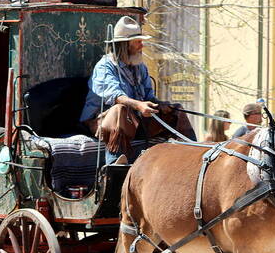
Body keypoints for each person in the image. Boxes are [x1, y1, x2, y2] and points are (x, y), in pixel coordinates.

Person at [79, 16, 196, 164]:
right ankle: (115, 162)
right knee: (119, 109)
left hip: (135, 121)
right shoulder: (105, 66)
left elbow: (149, 96)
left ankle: (192, 155)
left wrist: (160, 104)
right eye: (138, 42)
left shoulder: (140, 67)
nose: (142, 45)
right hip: (102, 122)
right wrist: (139, 105)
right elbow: (116, 95)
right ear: (125, 44)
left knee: (176, 111)